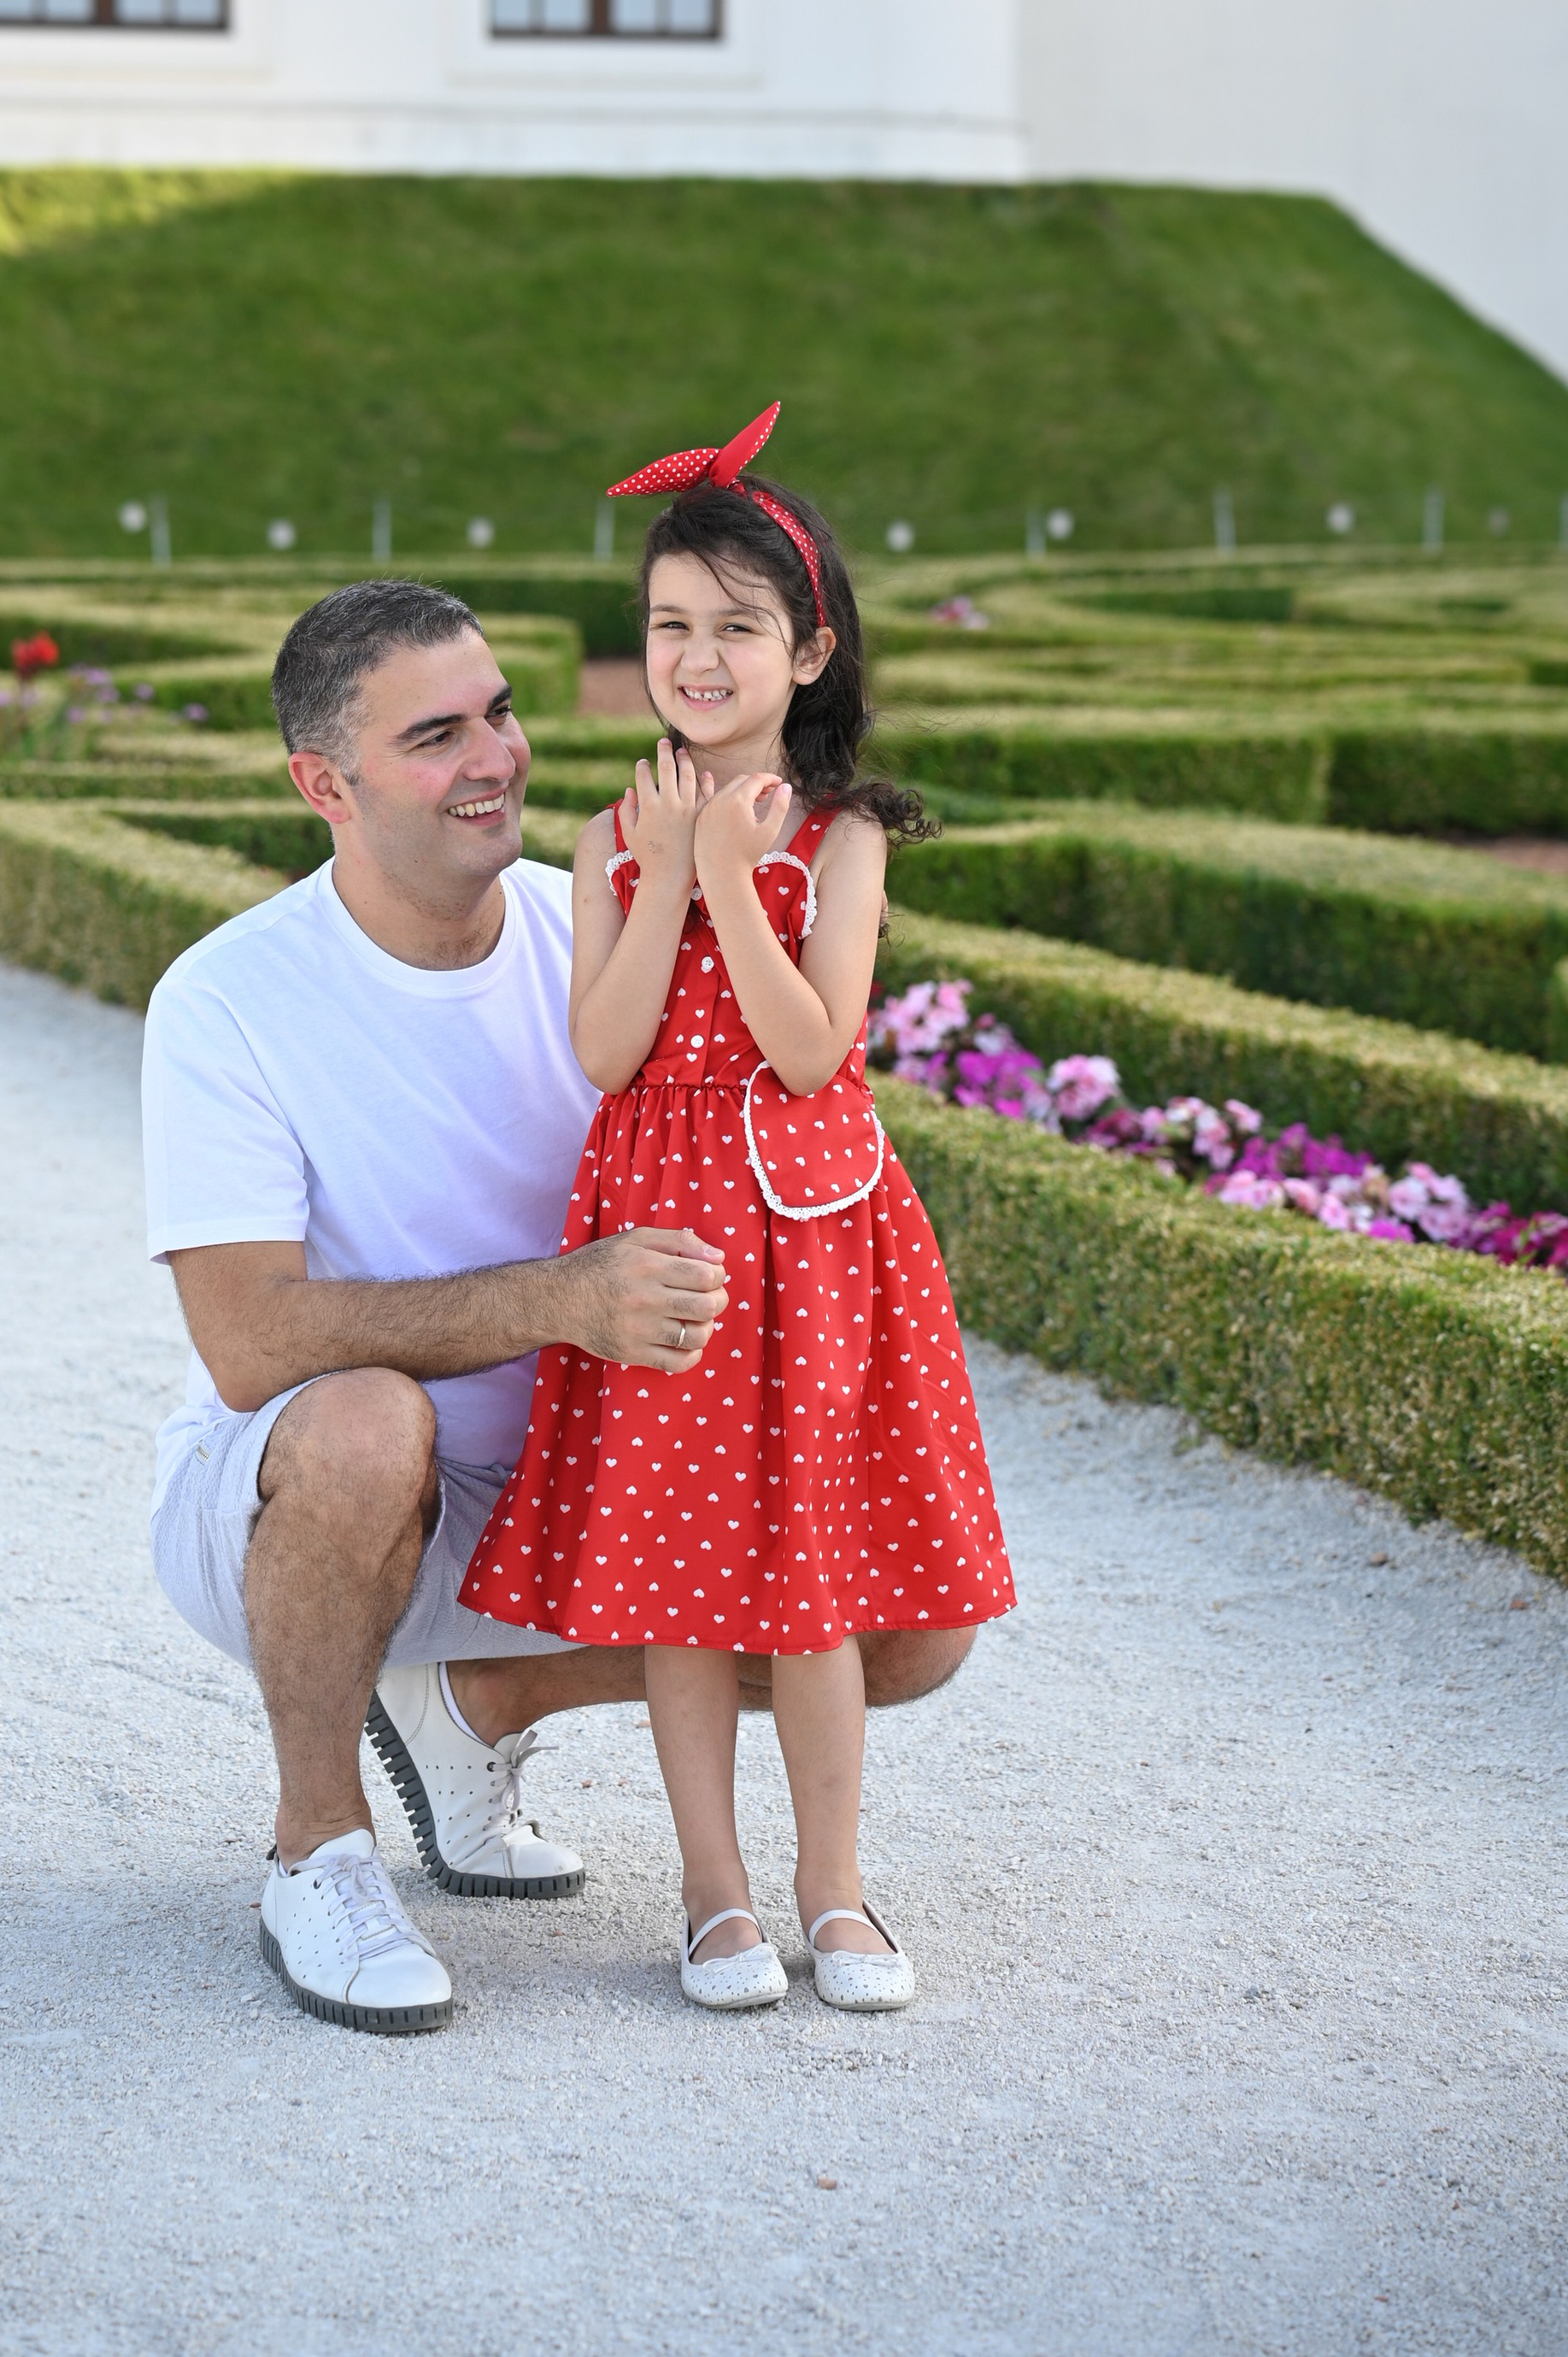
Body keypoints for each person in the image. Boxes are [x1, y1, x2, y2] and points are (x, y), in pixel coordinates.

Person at [141, 572, 976, 2037]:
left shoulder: (600, 911)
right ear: (321, 784)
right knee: (355, 1426)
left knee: (910, 1627)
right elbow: (246, 1343)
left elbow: (793, 1080)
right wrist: (561, 1300)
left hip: (589, 1487)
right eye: (437, 737)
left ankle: (475, 1704)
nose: (497, 759)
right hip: (322, 1514)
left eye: (503, 713)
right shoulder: (227, 998)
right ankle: (318, 1849)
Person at [461, 404, 1016, 2013]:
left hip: (812, 1231)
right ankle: (714, 1900)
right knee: (680, 1576)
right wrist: (655, 869)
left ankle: (833, 1894)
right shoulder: (600, 836)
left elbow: (808, 1045)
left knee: (815, 1576)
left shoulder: (839, 839)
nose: (698, 661)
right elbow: (607, 1052)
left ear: (811, 646)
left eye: (738, 629)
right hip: (664, 1235)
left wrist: (717, 871)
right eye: (669, 628)